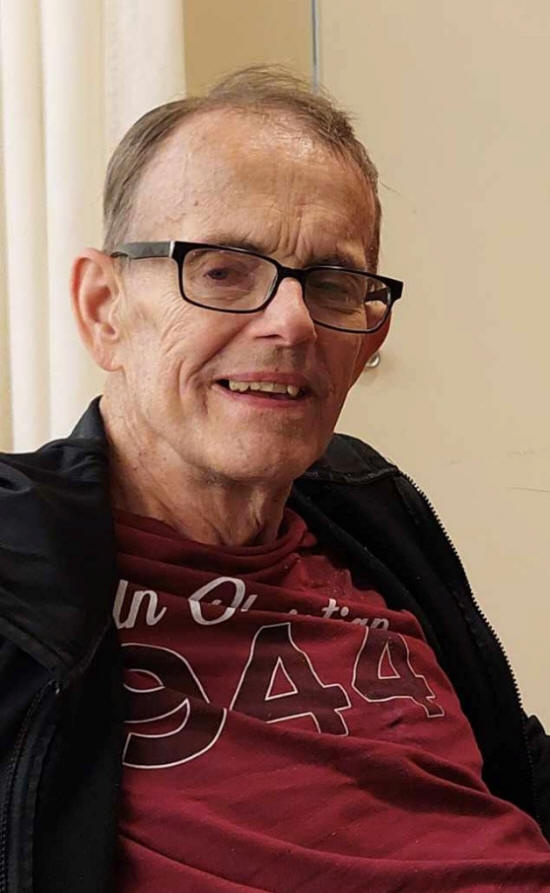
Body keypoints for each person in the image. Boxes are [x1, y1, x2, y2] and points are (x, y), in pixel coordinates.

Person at [0, 66, 549, 893]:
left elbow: (521, 770)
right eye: (223, 270)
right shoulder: (17, 560)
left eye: (332, 283)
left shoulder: (376, 516)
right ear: (103, 308)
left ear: (368, 341)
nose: (291, 323)